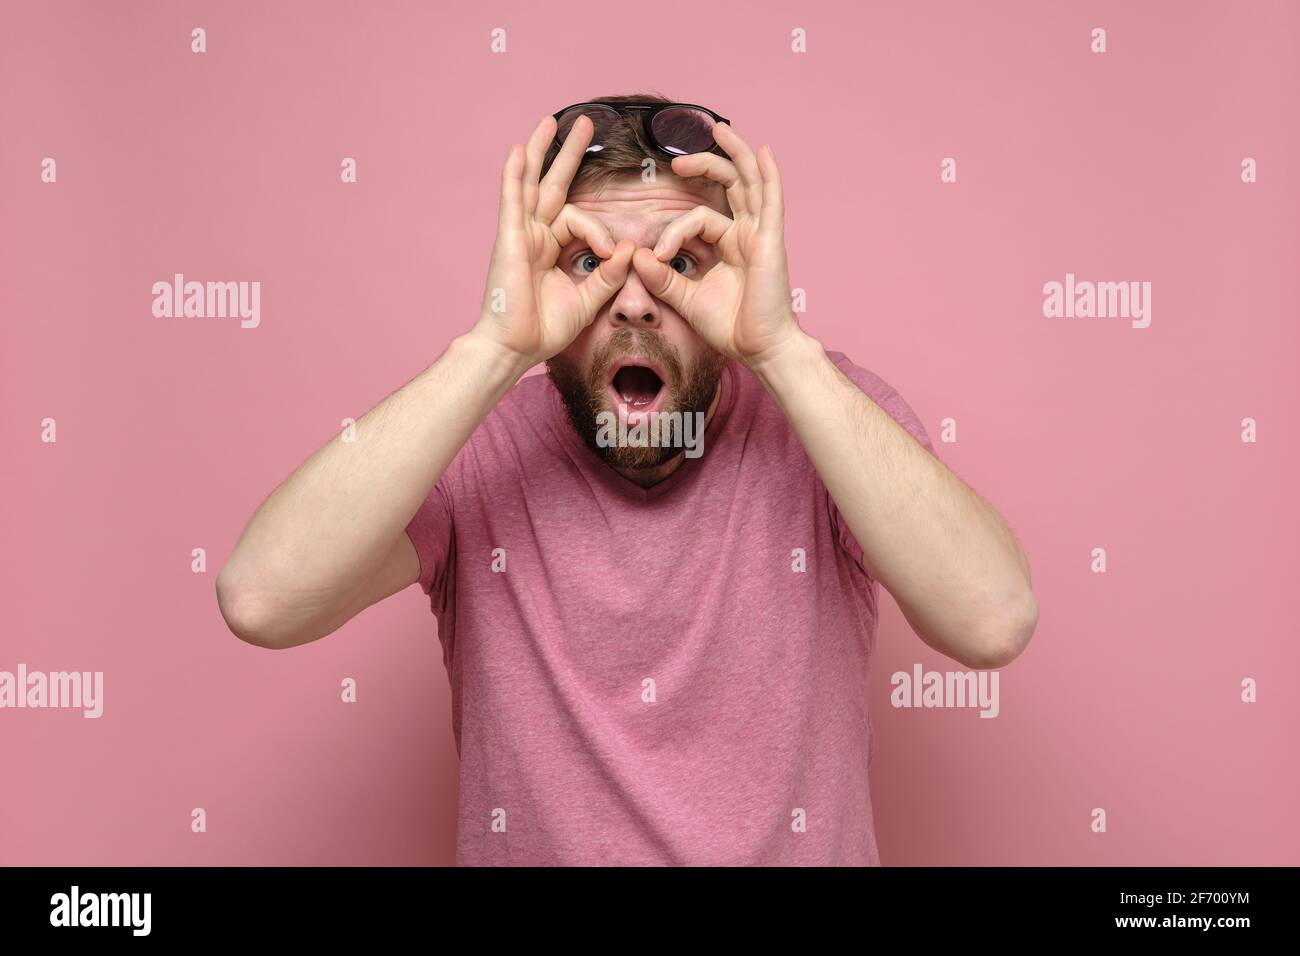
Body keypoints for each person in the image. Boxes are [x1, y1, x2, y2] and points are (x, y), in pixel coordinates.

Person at [216, 93, 1039, 865]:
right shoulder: (480, 445)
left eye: (684, 257)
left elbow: (992, 621)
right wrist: (493, 351)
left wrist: (785, 351)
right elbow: (264, 600)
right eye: (588, 262)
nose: (637, 302)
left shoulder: (825, 417)